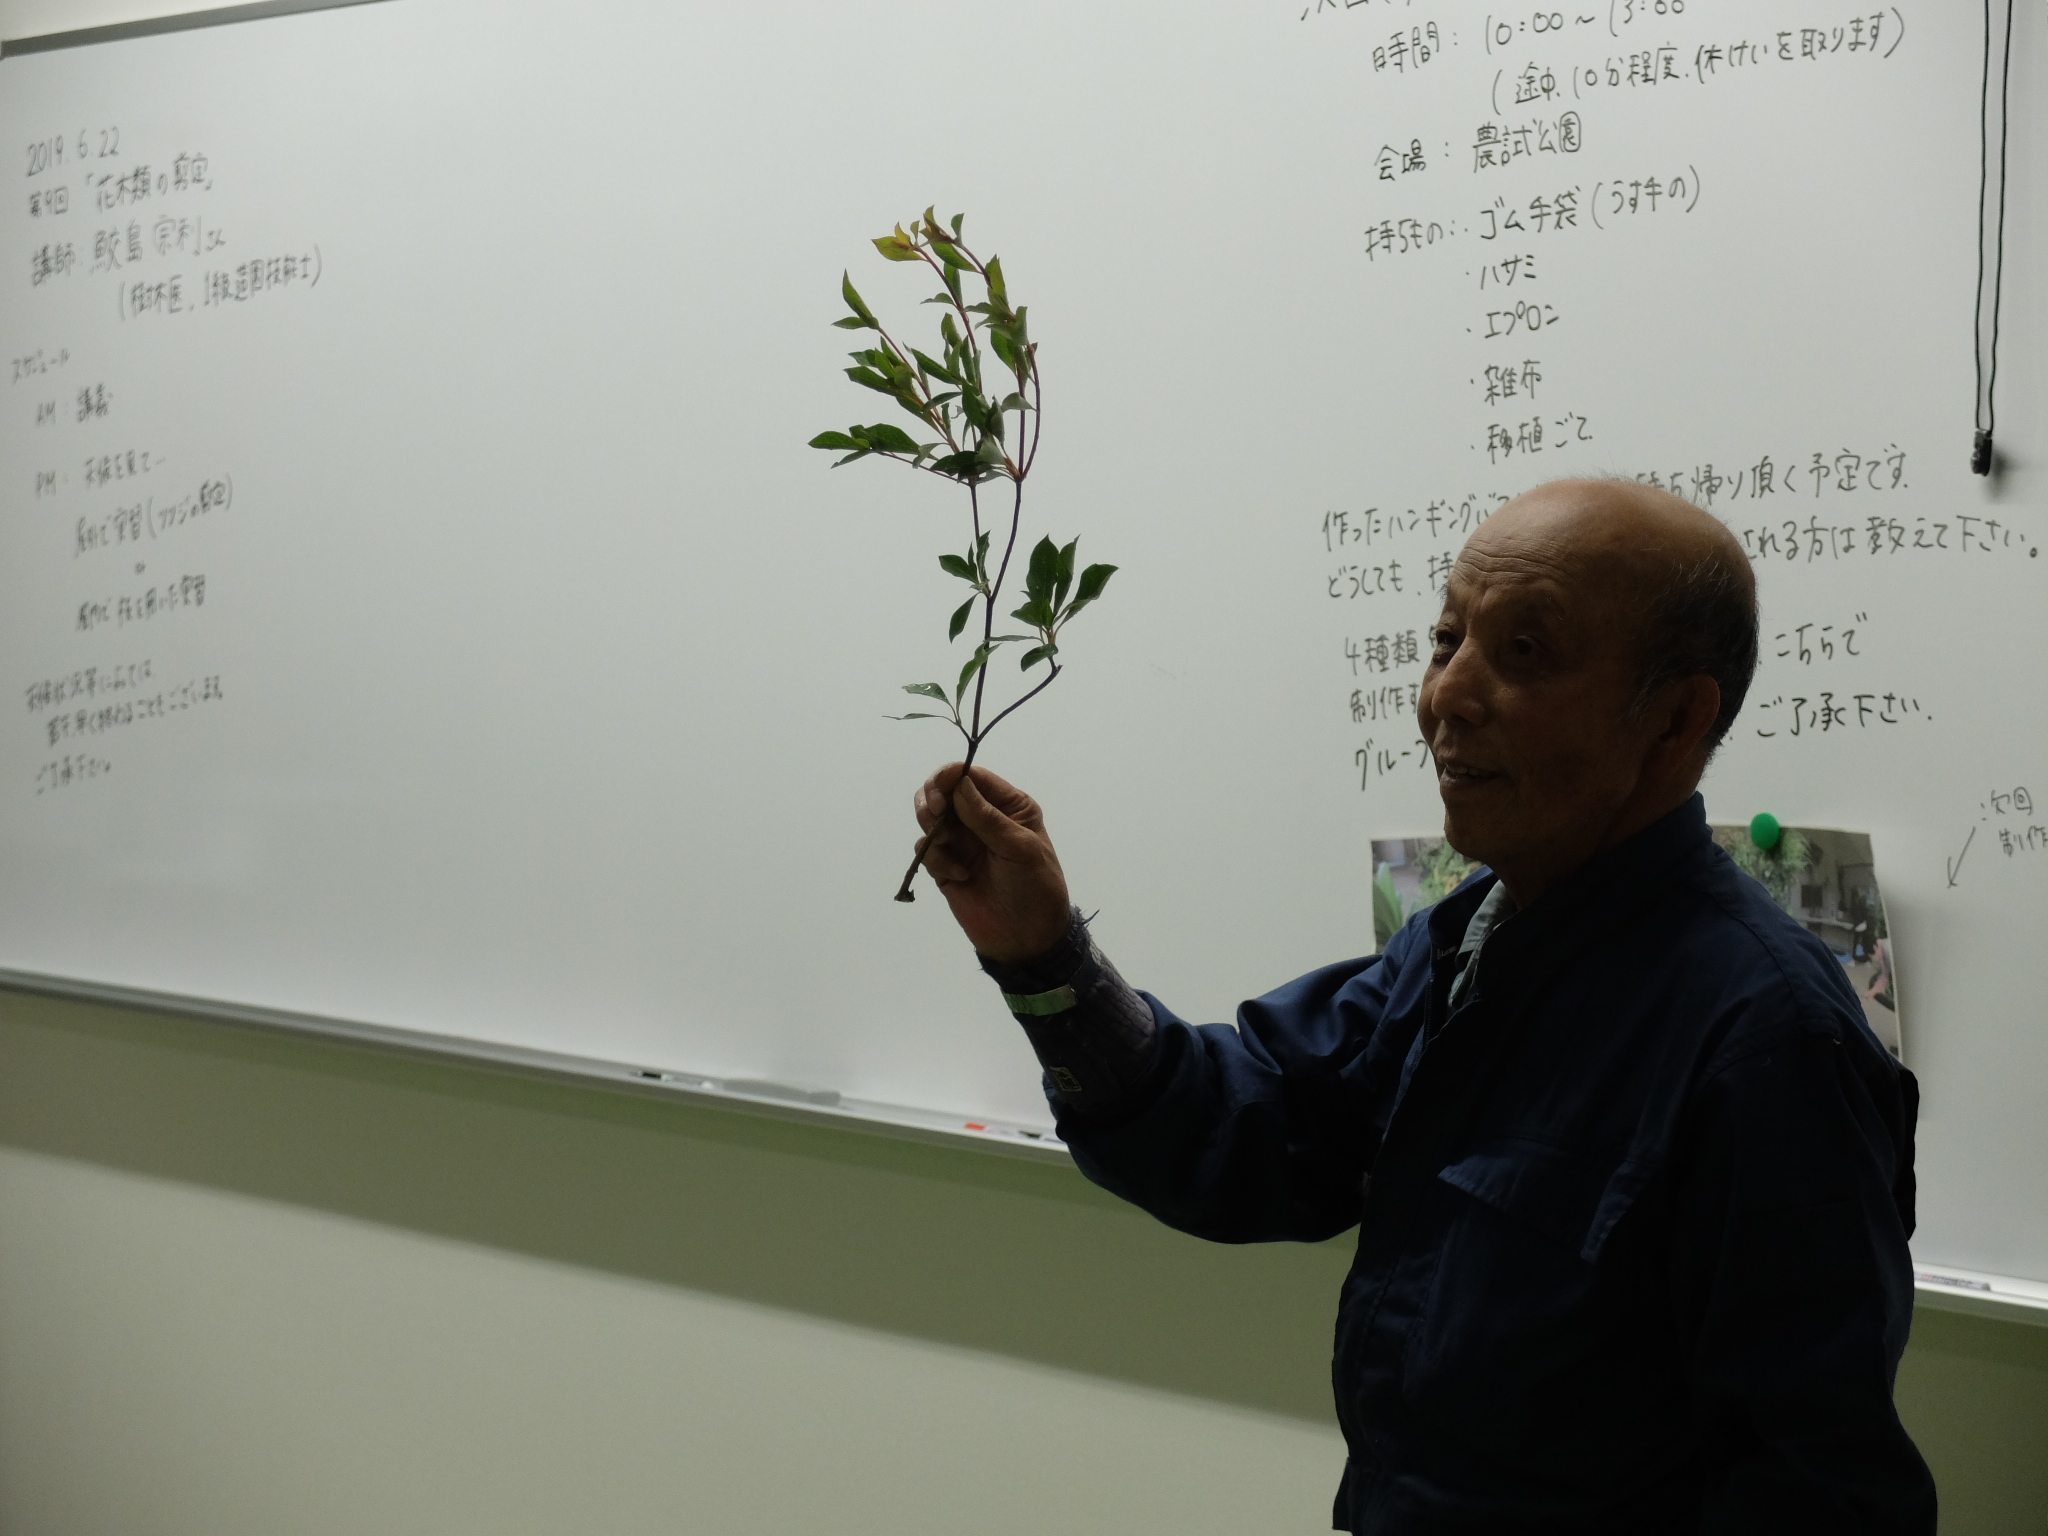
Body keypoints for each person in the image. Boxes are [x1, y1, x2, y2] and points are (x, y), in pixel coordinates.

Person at [910, 479, 1935, 1534]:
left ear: (1675, 719)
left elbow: (1819, 1491)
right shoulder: (1464, 942)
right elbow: (1244, 1130)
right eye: (1447, 639)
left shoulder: (1766, 1042)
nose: (1449, 695)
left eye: (1525, 651)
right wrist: (1042, 952)